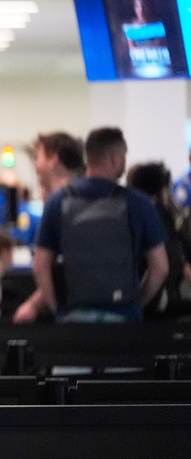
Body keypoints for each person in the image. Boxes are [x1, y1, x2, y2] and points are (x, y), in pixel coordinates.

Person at [33, 127, 168, 323]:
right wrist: (136, 305)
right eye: (123, 156)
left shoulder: (58, 201)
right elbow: (160, 267)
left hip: (73, 315)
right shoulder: (137, 202)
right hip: (123, 316)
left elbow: (40, 266)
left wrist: (57, 310)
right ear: (114, 158)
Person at [13, 131, 85, 323]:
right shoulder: (79, 197)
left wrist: (50, 308)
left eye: (38, 158)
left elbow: (44, 266)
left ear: (54, 160)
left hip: (72, 308)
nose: (35, 165)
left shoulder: (62, 200)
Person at [127, 162, 191, 317]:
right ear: (161, 191)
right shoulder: (161, 218)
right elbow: (171, 266)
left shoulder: (127, 217)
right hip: (160, 310)